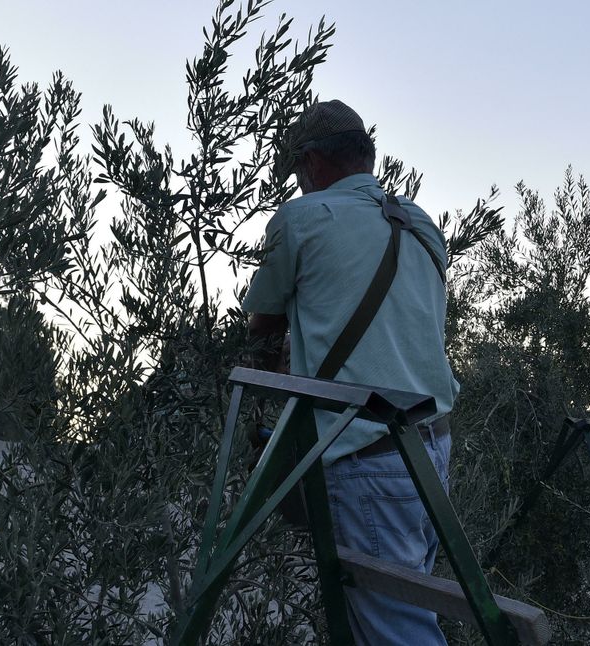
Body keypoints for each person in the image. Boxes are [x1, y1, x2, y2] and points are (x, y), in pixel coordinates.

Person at [242, 99, 455, 645]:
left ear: (311, 162)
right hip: (432, 445)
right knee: (401, 611)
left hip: (366, 454)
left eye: (298, 173)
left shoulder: (301, 219)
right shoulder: (421, 223)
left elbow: (261, 321)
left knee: (397, 634)